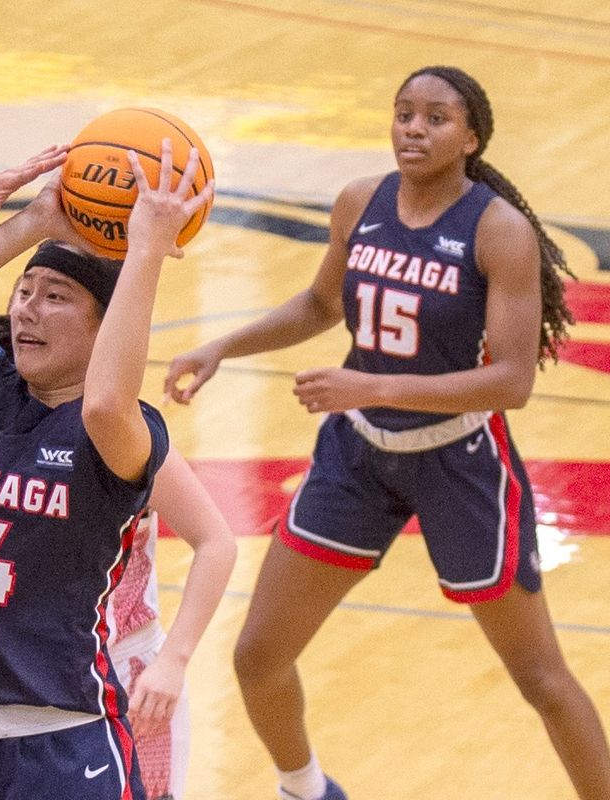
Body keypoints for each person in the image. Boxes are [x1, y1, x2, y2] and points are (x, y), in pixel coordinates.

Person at [164, 65, 610, 800]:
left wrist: (372, 385)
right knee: (258, 654)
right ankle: (306, 789)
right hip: (359, 456)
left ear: (470, 138)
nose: (414, 128)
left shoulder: (499, 231)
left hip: (460, 459)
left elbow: (513, 383)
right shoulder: (359, 202)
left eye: (436, 118)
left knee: (540, 677)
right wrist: (222, 346)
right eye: (404, 113)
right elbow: (318, 304)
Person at [0, 183, 236, 800]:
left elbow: (109, 401)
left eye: (55, 297)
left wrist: (144, 251)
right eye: (23, 293)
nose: (27, 310)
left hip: (62, 737)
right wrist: (31, 222)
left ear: (101, 327)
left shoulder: (112, 430)